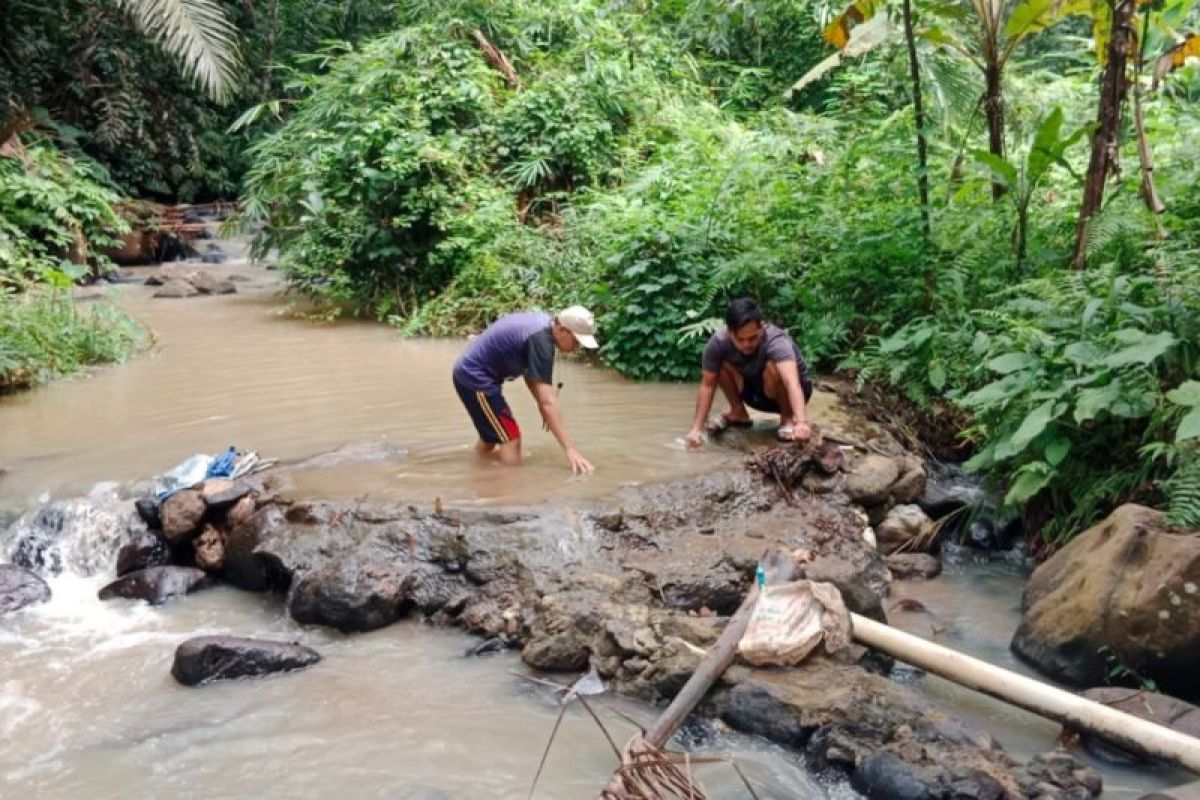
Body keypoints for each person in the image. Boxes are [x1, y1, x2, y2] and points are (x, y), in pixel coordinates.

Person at [453, 306, 598, 474]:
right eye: (577, 341)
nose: (577, 347)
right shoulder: (541, 341)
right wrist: (571, 450)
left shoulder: (542, 326)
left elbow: (532, 376)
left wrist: (543, 406)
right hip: (476, 379)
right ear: (562, 329)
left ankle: (479, 473)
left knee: (491, 438)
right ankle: (511, 487)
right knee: (511, 439)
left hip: (471, 374)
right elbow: (548, 402)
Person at [684, 298, 814, 448]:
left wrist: (802, 422)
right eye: (740, 339)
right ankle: (738, 412)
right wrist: (696, 430)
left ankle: (787, 418)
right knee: (719, 364)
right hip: (756, 393)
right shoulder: (718, 342)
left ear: (762, 327)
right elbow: (707, 385)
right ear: (729, 332)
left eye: (753, 338)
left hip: (790, 394)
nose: (747, 345)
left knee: (774, 367)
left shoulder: (777, 342)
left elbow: (792, 383)